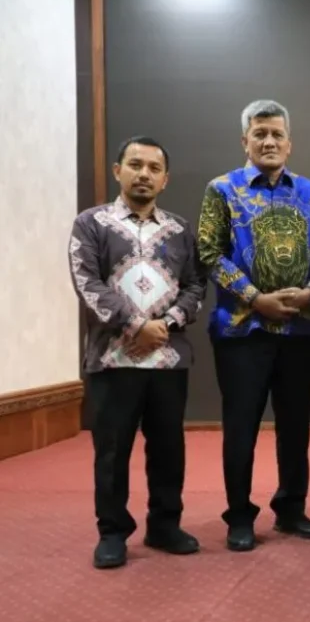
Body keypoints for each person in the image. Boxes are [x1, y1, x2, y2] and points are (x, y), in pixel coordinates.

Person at [196, 99, 310, 552]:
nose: (269, 141)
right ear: (245, 140)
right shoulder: (222, 190)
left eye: (277, 134)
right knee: (242, 426)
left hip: (301, 330)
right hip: (242, 331)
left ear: (289, 143)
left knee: (296, 425)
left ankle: (291, 508)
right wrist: (256, 299)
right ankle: (239, 515)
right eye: (260, 134)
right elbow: (208, 253)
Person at [69, 136, 205, 569]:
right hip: (112, 360)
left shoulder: (182, 230)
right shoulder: (91, 224)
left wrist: (165, 325)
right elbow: (87, 283)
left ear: (164, 179)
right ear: (117, 171)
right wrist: (134, 325)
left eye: (153, 168)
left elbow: (197, 286)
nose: (143, 173)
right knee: (112, 450)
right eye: (135, 164)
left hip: (168, 359)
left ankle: (165, 525)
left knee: (168, 448)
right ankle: (112, 532)